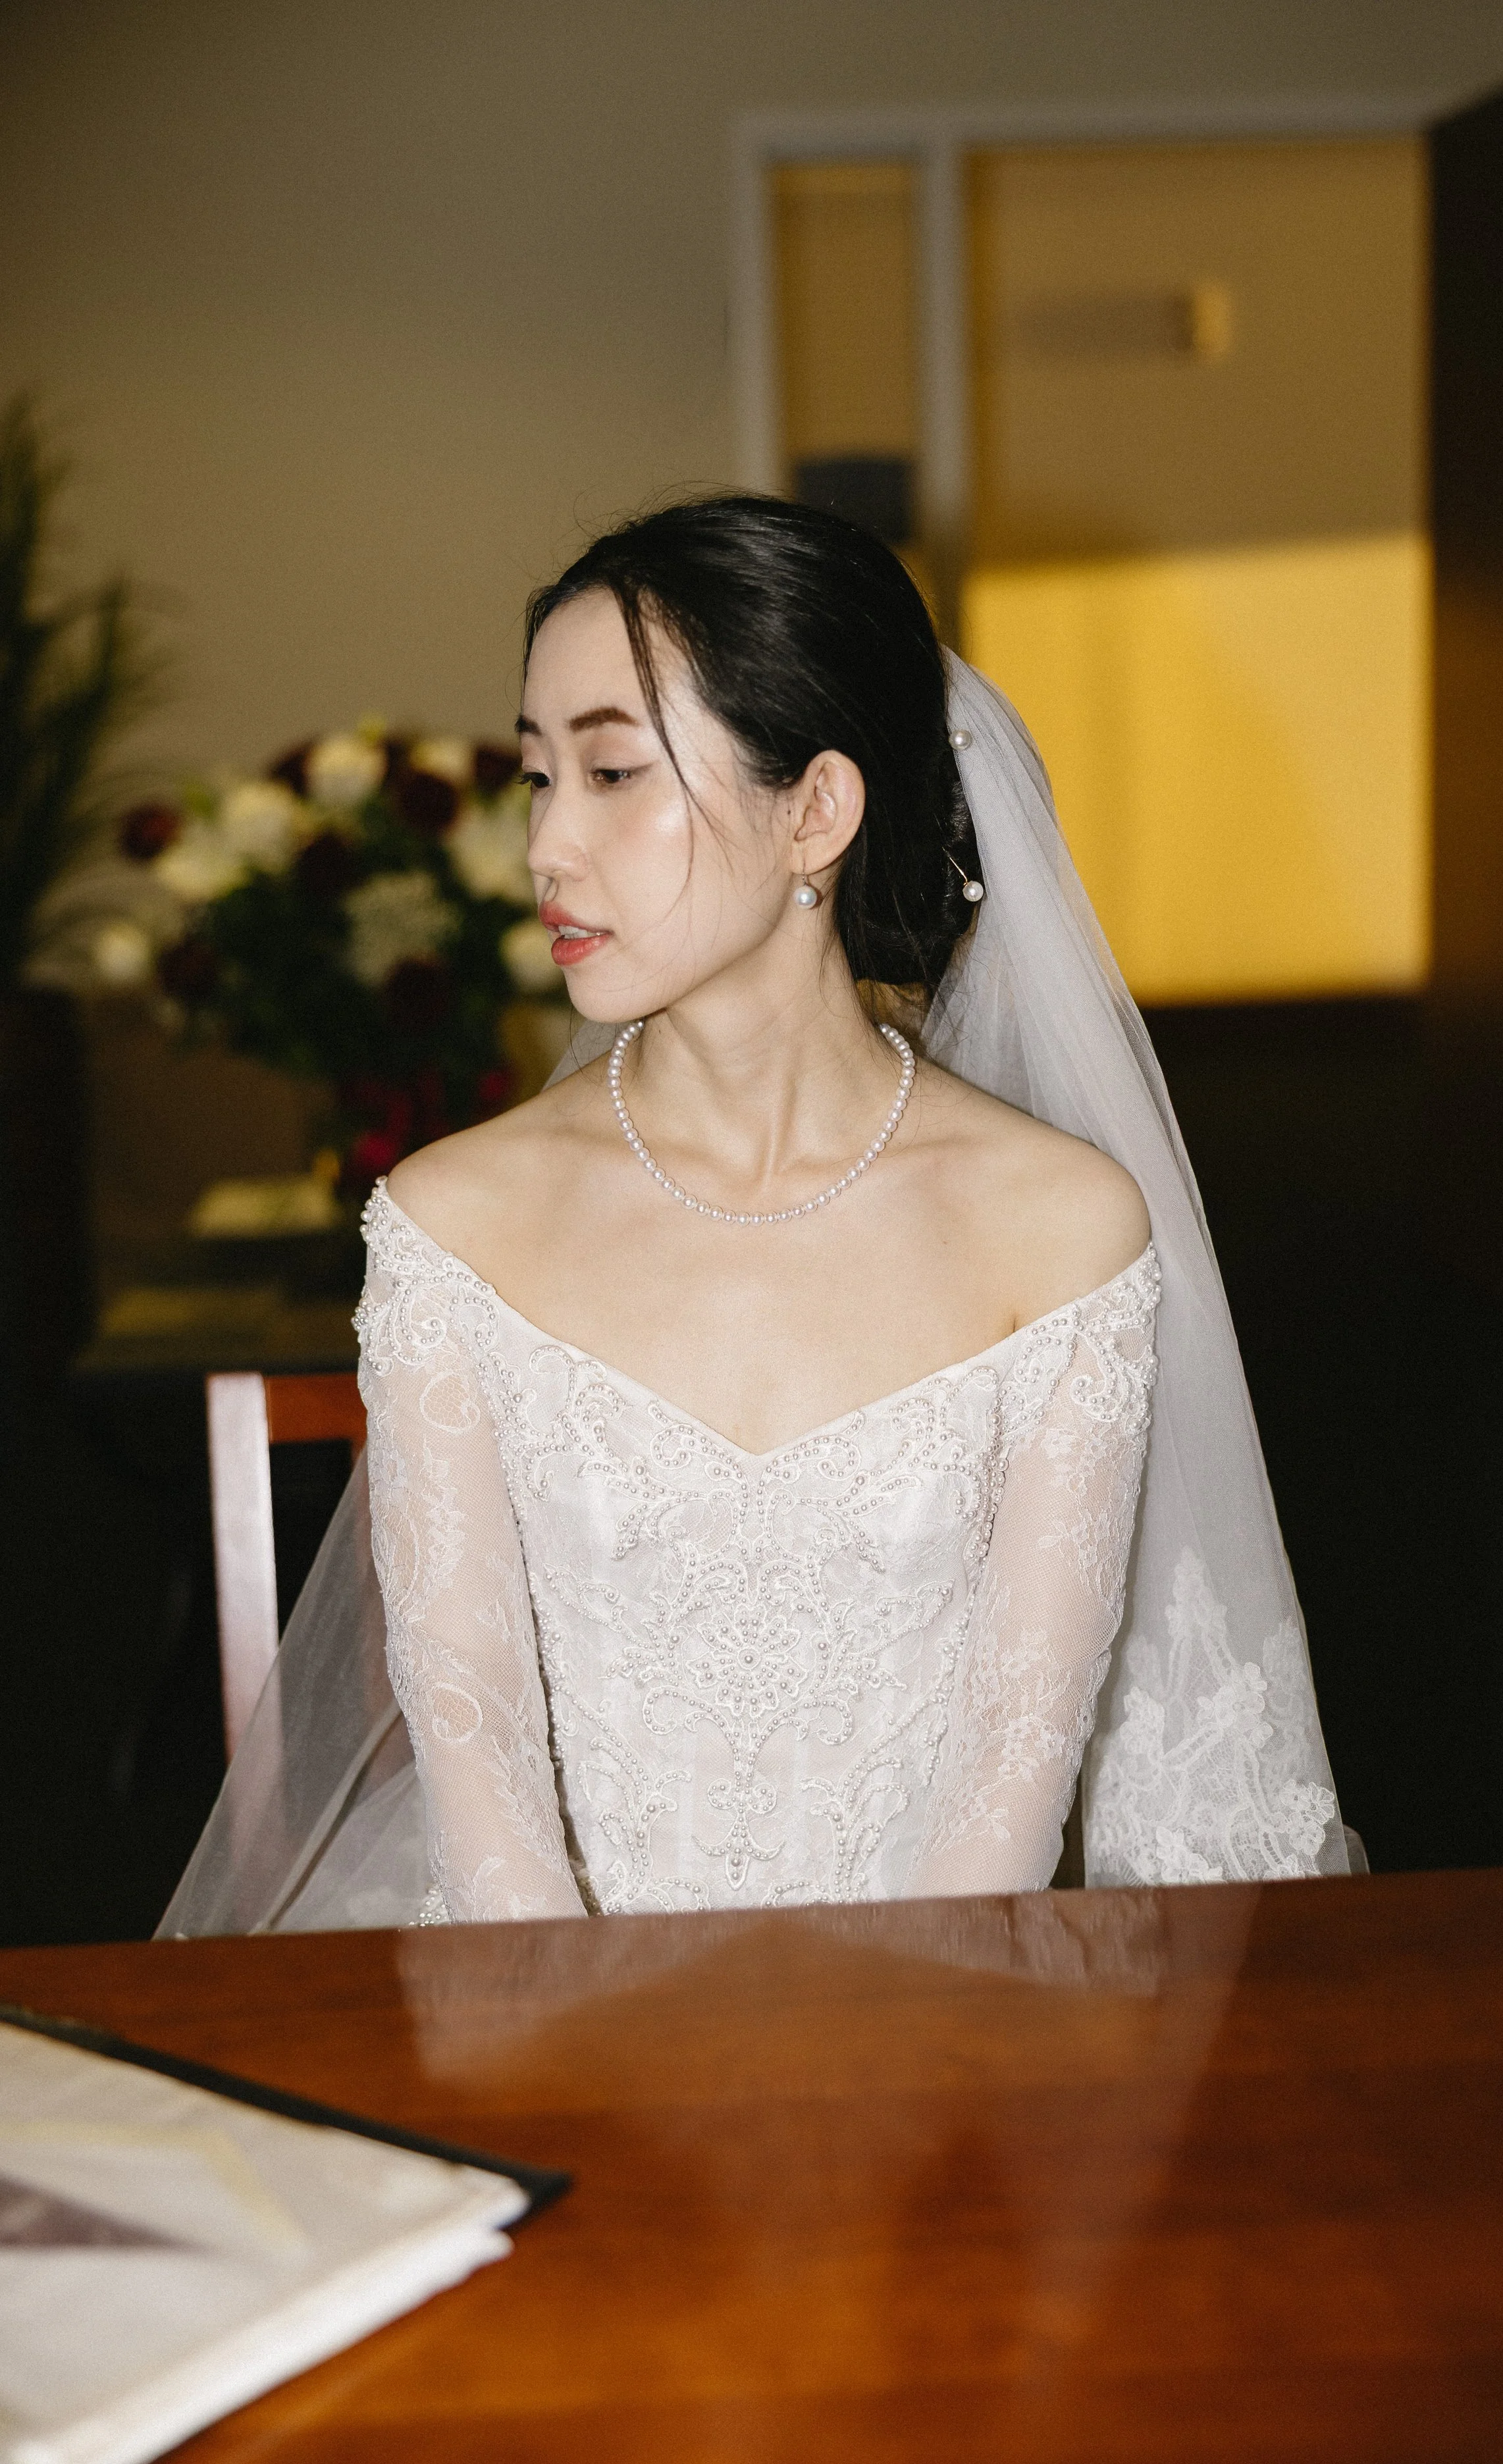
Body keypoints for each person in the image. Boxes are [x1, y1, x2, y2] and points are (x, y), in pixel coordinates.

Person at [160, 496, 1347, 1938]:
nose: (546, 848)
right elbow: (476, 1762)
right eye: (538, 779)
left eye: (609, 771)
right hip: (539, 2004)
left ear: (818, 811)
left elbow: (1007, 1788)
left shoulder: (1062, 1234)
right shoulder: (451, 1224)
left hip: (940, 2015)